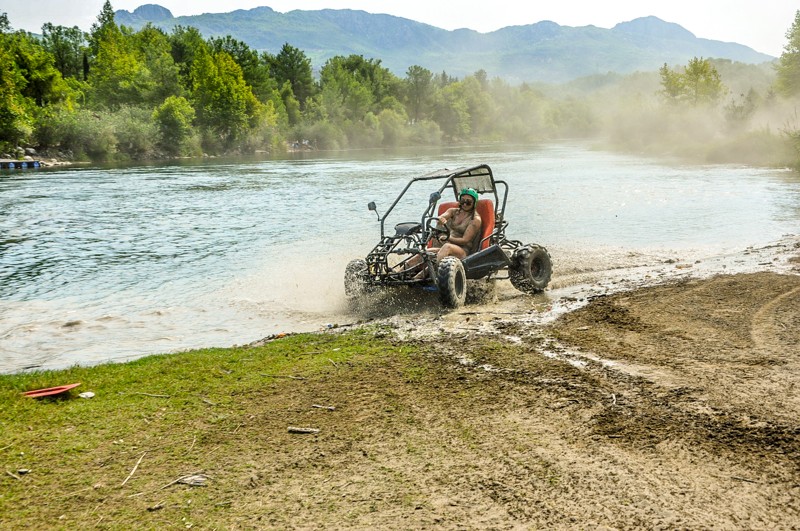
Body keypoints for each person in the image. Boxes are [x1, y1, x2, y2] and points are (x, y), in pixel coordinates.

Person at [409, 187, 483, 279]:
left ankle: (423, 276)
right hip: (445, 248)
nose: (464, 204)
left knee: (446, 247)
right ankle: (397, 273)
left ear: (474, 203)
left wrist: (448, 238)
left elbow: (465, 240)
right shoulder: (453, 211)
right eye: (462, 200)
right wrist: (441, 219)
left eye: (468, 202)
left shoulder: (475, 220)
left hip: (463, 251)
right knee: (424, 253)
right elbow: (442, 217)